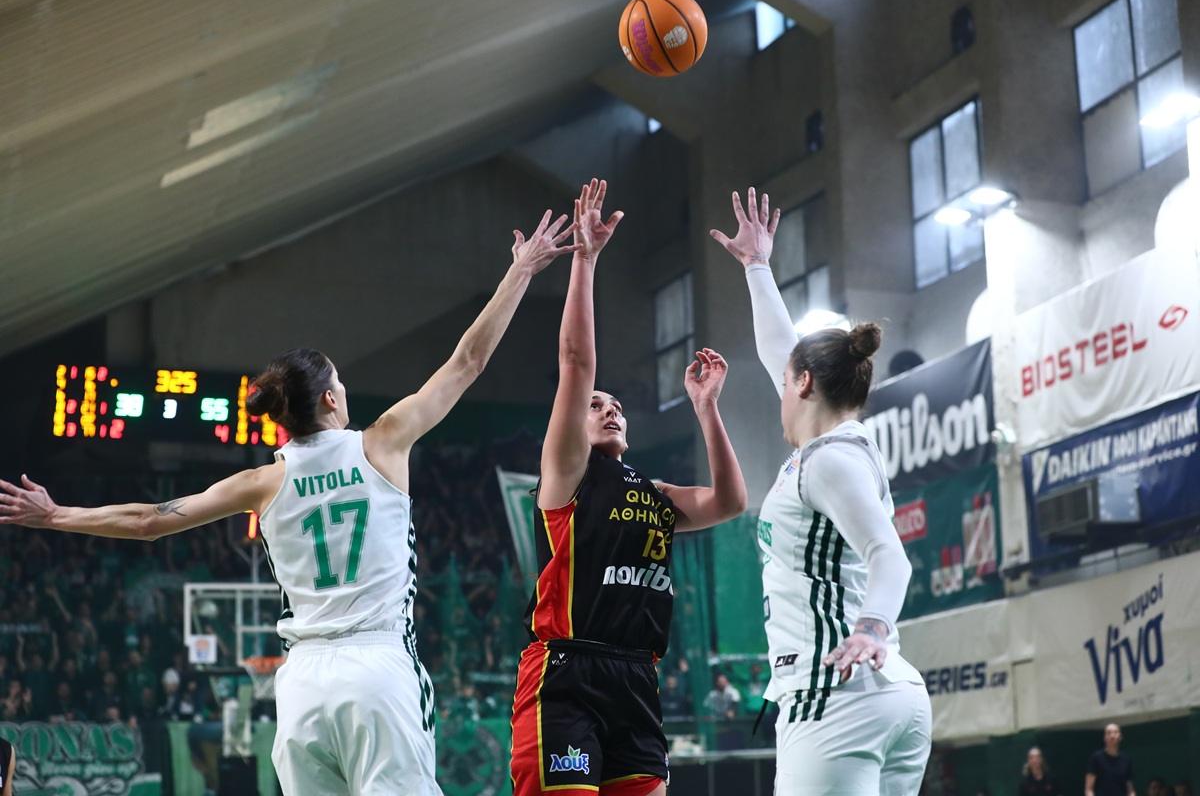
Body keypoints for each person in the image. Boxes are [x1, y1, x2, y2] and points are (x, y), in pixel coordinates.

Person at [0, 209, 579, 796]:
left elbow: (150, 521)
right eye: (340, 382)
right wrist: (521, 271)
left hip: (301, 685)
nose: (345, 389)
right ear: (329, 399)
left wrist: (55, 514)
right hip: (377, 667)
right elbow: (468, 361)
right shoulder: (383, 442)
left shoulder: (262, 481)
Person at [511, 179, 748, 796]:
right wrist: (586, 260)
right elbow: (575, 363)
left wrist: (706, 409)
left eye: (616, 405)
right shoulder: (567, 471)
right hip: (567, 671)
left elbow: (730, 502)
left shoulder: (654, 493)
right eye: (596, 405)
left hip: (637, 678)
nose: (609, 409)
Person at [712, 188, 931, 795]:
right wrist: (757, 268)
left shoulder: (828, 461)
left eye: (787, 381)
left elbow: (891, 556)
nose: (778, 389)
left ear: (805, 383)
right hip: (884, 693)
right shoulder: (837, 449)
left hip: (833, 689)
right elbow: (778, 353)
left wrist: (872, 628)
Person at [1085, 723, 1135, 796]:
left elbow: (1130, 789)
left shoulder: (1126, 760)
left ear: (1120, 737)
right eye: (1108, 733)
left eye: (1115, 732)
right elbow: (1089, 789)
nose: (1112, 736)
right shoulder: (1096, 758)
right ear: (1104, 738)